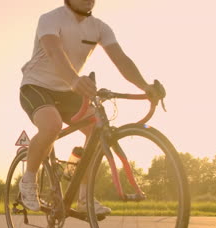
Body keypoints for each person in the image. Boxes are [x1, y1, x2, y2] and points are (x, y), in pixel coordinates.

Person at [18, 0, 162, 212]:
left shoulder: (100, 28)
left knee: (96, 129)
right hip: (36, 86)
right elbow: (54, 52)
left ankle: (84, 197)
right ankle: (28, 182)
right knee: (51, 126)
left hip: (69, 90)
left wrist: (145, 86)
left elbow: (121, 60)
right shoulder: (50, 19)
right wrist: (75, 80)